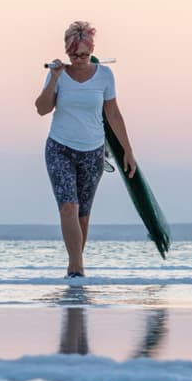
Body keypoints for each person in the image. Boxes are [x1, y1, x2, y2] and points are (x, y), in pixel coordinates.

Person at [35, 21, 137, 278]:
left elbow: (113, 114)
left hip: (92, 152)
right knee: (68, 207)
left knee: (82, 215)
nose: (79, 60)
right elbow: (42, 109)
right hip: (59, 148)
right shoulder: (57, 74)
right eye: (74, 55)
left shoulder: (105, 75)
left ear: (92, 50)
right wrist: (54, 78)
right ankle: (77, 269)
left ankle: (74, 269)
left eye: (83, 54)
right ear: (66, 52)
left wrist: (128, 150)